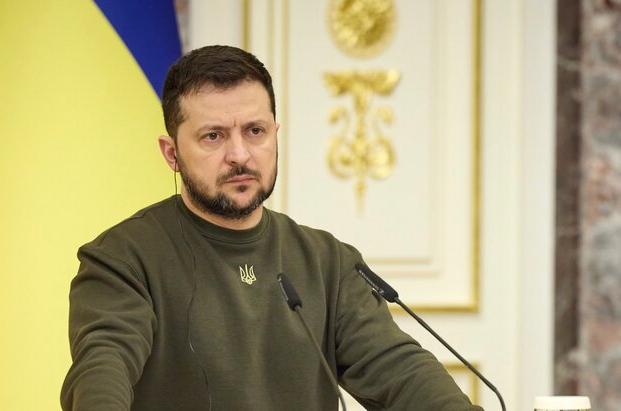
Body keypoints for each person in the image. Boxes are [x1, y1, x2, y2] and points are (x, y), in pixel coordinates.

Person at [61, 45, 483, 411]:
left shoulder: (328, 262)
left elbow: (398, 369)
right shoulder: (121, 259)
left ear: (275, 135)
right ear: (171, 153)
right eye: (213, 137)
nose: (240, 154)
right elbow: (103, 367)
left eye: (255, 131)